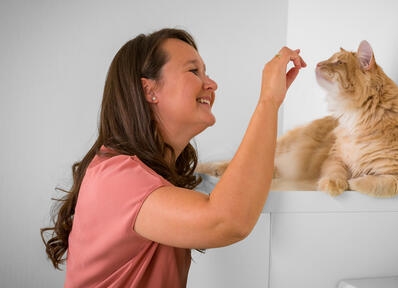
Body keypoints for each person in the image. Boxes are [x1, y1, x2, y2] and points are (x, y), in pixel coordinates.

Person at [40, 28, 306, 287]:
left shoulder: (139, 172)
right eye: (194, 71)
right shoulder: (115, 176)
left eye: (206, 72)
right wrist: (268, 101)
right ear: (149, 91)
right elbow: (227, 221)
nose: (212, 84)